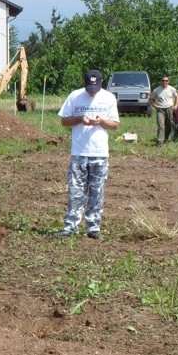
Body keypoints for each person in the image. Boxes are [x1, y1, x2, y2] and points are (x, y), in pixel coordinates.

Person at [55, 69, 120, 240]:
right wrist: (79, 118)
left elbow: (115, 124)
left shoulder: (108, 98)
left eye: (95, 88)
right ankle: (71, 226)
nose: (92, 92)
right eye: (90, 89)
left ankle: (93, 226)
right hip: (79, 152)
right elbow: (64, 120)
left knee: (97, 191)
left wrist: (101, 121)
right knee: (76, 190)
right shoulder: (75, 96)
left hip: (99, 152)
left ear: (101, 83)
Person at [149, 76, 178, 147]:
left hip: (169, 108)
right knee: (161, 125)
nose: (164, 82)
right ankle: (160, 142)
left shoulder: (172, 89)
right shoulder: (156, 90)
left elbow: (177, 97)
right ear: (161, 81)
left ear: (168, 81)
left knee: (168, 125)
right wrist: (154, 106)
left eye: (166, 81)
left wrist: (176, 105)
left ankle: (165, 138)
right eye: (163, 80)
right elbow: (151, 99)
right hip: (160, 109)